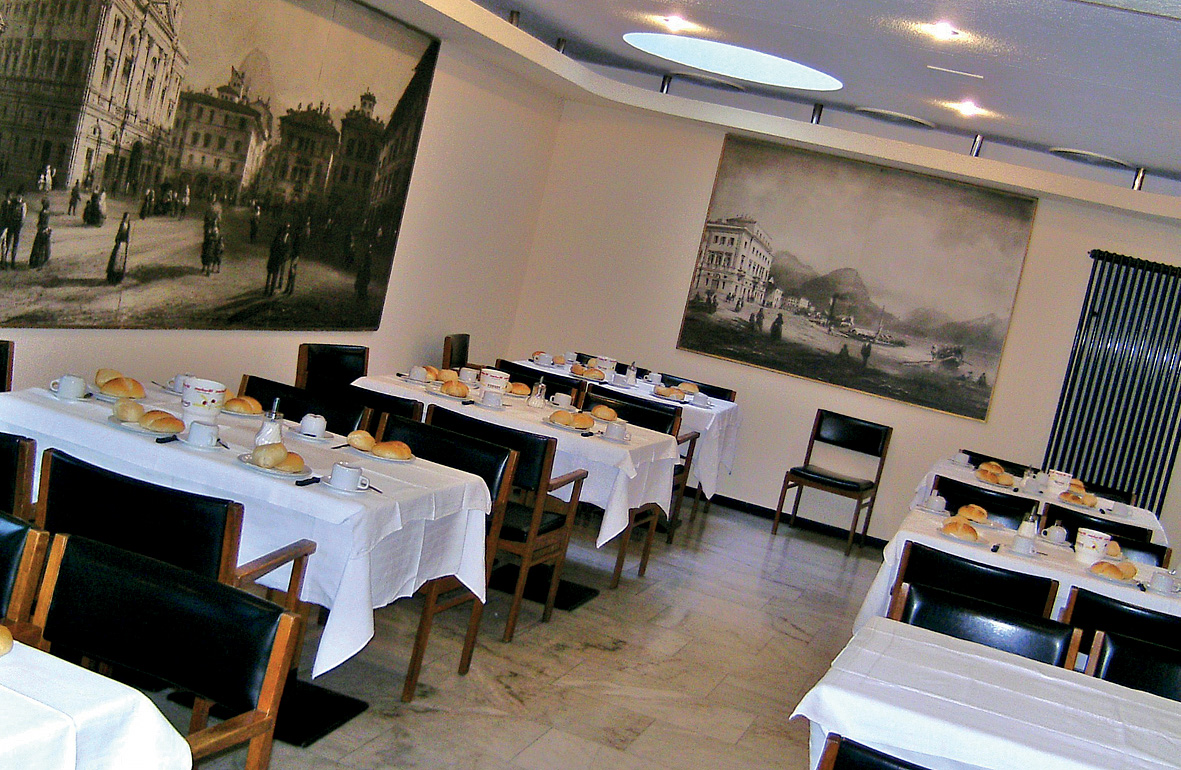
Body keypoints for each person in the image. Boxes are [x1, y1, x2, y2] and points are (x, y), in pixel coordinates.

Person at [106, 213, 131, 284]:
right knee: (116, 259)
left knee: (120, 260)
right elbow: (119, 234)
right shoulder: (123, 225)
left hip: (123, 244)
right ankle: (113, 276)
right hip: (120, 244)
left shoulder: (127, 225)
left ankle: (118, 276)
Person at [266, 224, 289, 295]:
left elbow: (271, 249)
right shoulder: (281, 241)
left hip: (272, 259)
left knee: (269, 275)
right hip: (276, 260)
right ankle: (271, 291)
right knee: (274, 276)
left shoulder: (275, 240)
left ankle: (267, 289)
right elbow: (282, 250)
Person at [28, 199, 51, 269]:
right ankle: (40, 262)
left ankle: (36, 262)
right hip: (44, 231)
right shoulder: (46, 213)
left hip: (42, 231)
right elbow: (43, 223)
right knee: (43, 247)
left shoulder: (43, 213)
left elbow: (40, 223)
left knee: (39, 247)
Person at [6, 192, 26, 265]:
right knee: (8, 242)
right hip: (11, 224)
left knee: (15, 243)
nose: (19, 198)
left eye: (20, 196)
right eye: (18, 196)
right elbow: (9, 213)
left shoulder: (23, 204)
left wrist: (20, 225)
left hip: (17, 226)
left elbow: (23, 217)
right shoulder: (13, 203)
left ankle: (13, 260)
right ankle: (4, 259)